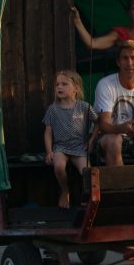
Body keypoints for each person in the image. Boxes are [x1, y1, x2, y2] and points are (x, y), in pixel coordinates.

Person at [71, 0, 134, 98]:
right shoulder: (121, 34)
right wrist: (77, 21)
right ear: (128, 12)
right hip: (129, 94)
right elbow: (92, 43)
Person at [42, 70, 96, 208]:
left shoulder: (84, 107)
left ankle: (88, 199)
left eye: (64, 84)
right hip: (60, 147)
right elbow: (48, 132)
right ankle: (65, 191)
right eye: (57, 84)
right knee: (59, 166)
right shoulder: (52, 109)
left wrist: (91, 141)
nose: (59, 87)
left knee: (88, 172)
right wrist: (49, 152)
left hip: (79, 147)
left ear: (76, 89)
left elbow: (98, 123)